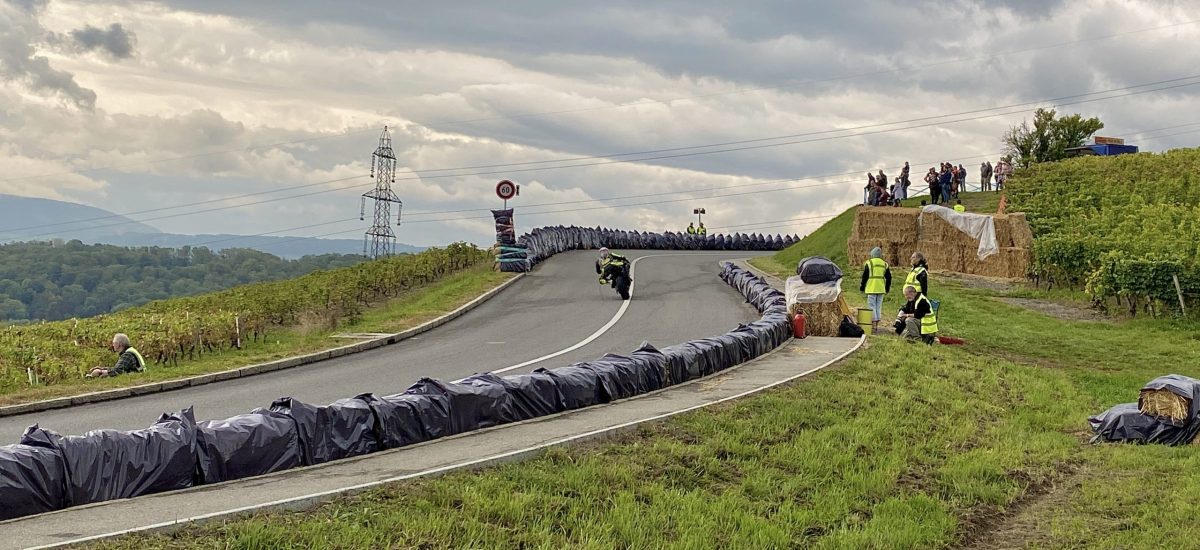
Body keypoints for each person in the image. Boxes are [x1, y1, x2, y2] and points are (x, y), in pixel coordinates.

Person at [859, 246, 892, 332]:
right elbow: (889, 277)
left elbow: (864, 277)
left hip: (871, 288)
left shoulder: (869, 263)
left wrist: (862, 287)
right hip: (881, 288)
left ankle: (873, 325)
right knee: (878, 306)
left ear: (872, 254)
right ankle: (876, 325)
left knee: (871, 306)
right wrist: (887, 288)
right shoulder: (885, 264)